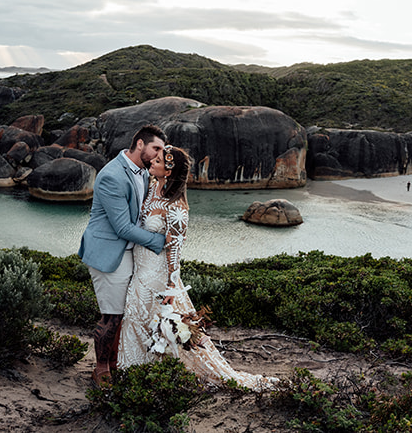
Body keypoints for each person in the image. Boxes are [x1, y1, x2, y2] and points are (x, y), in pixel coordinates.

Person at [117, 145, 276, 391]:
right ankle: (133, 373)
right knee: (135, 321)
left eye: (157, 161)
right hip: (140, 271)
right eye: (155, 158)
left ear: (168, 172)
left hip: (157, 275)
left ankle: (152, 378)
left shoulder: (176, 207)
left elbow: (176, 251)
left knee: (154, 325)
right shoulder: (151, 187)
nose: (152, 162)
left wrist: (172, 287)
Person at [79, 125, 170, 387]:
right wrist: (160, 242)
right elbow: (122, 227)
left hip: (130, 253)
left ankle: (116, 363)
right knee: (111, 316)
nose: (158, 155)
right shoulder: (112, 176)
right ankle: (101, 370)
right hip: (109, 253)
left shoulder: (143, 173)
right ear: (140, 144)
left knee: (125, 314)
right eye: (156, 148)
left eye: (161, 151)